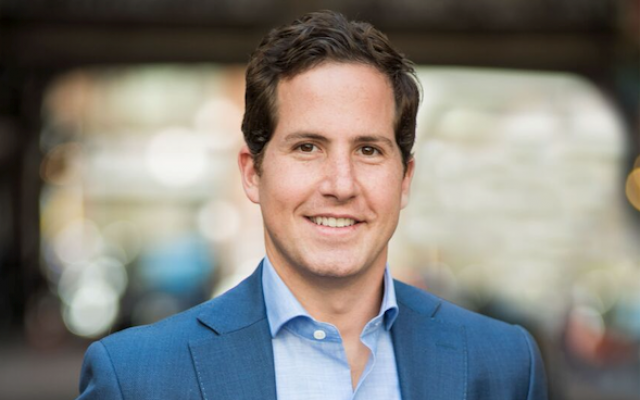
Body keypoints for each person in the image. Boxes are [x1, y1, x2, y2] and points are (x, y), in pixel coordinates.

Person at [77, 10, 548, 400]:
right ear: (251, 172)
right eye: (307, 147)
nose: (340, 185)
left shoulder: (504, 366)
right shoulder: (136, 379)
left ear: (405, 179)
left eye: (368, 150)